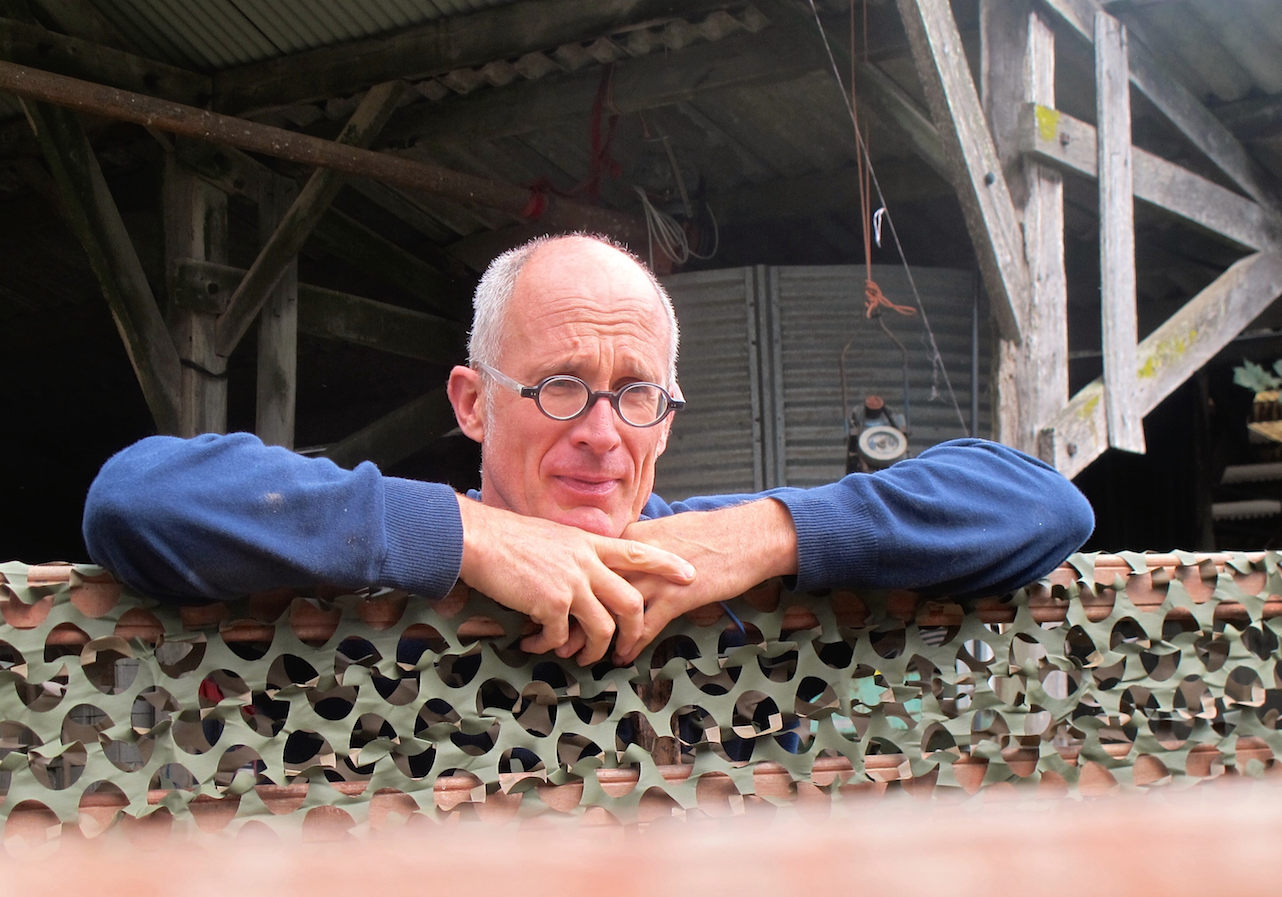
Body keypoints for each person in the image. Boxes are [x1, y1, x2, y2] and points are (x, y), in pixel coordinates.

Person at [84, 233, 1093, 667]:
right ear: (473, 404)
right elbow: (138, 500)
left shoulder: (700, 558)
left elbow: (1044, 507)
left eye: (637, 395)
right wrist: (462, 535)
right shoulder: (377, 558)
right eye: (561, 387)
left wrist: (772, 533)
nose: (601, 435)